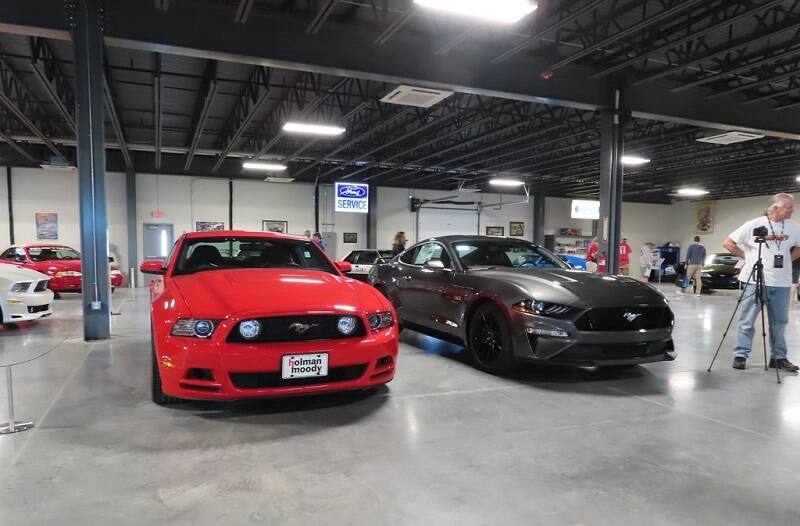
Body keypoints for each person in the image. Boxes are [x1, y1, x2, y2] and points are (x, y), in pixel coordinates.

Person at [723, 193, 800, 372]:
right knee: (747, 319)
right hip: (756, 280)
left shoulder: (793, 226)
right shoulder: (754, 224)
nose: (793, 210)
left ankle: (779, 357)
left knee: (780, 322)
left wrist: (787, 259)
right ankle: (741, 355)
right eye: (789, 207)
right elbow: (728, 242)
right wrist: (746, 257)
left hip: (781, 283)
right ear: (776, 208)